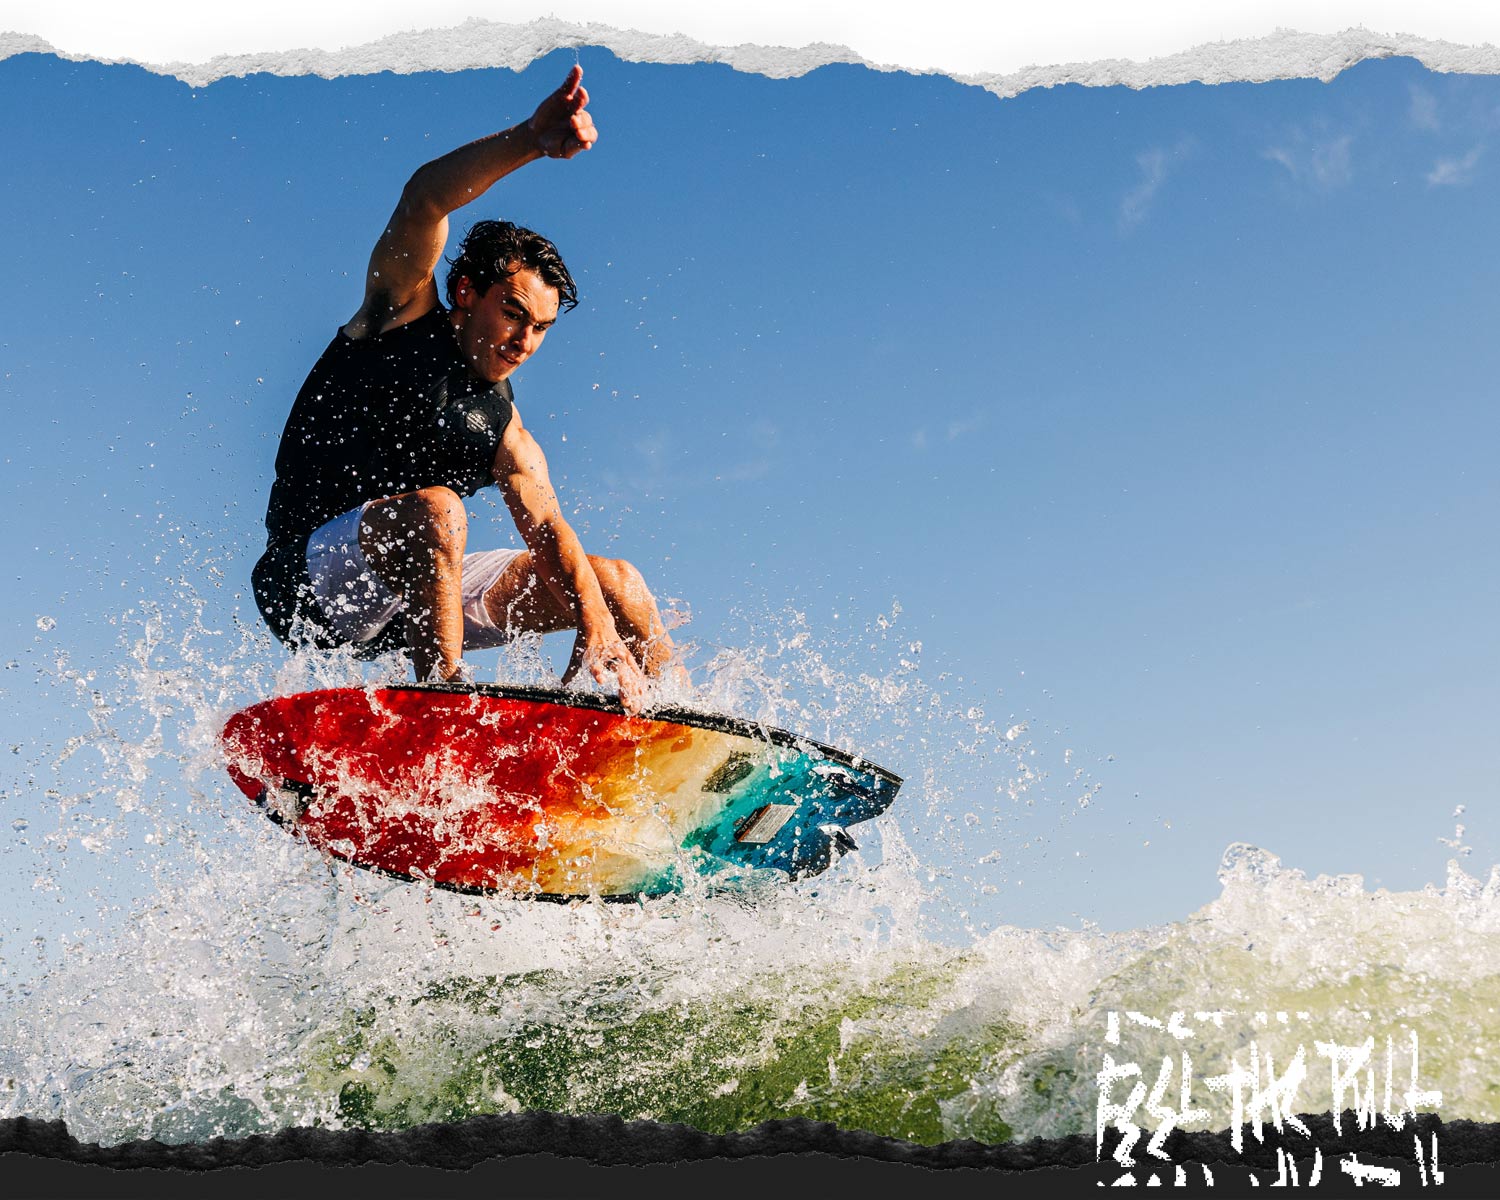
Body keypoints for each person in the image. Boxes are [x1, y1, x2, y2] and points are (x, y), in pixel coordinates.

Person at [251, 66, 674, 714]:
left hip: (419, 599)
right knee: (441, 510)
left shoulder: (505, 429)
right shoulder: (398, 316)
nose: (524, 341)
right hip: (307, 579)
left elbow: (547, 528)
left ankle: (682, 736)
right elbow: (424, 199)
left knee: (617, 586)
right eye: (513, 313)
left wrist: (597, 628)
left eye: (540, 328)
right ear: (467, 291)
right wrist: (531, 139)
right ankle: (442, 705)